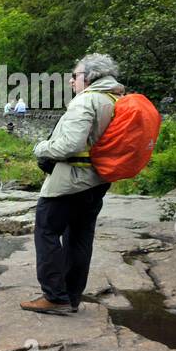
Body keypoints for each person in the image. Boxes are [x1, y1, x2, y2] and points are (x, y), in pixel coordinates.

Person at [21, 53, 125, 315]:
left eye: (75, 76)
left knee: (46, 231)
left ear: (90, 77)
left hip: (70, 182)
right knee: (79, 237)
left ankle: (55, 297)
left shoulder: (87, 100)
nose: (71, 81)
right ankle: (71, 296)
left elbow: (71, 144)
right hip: (98, 181)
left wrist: (41, 147)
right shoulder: (115, 100)